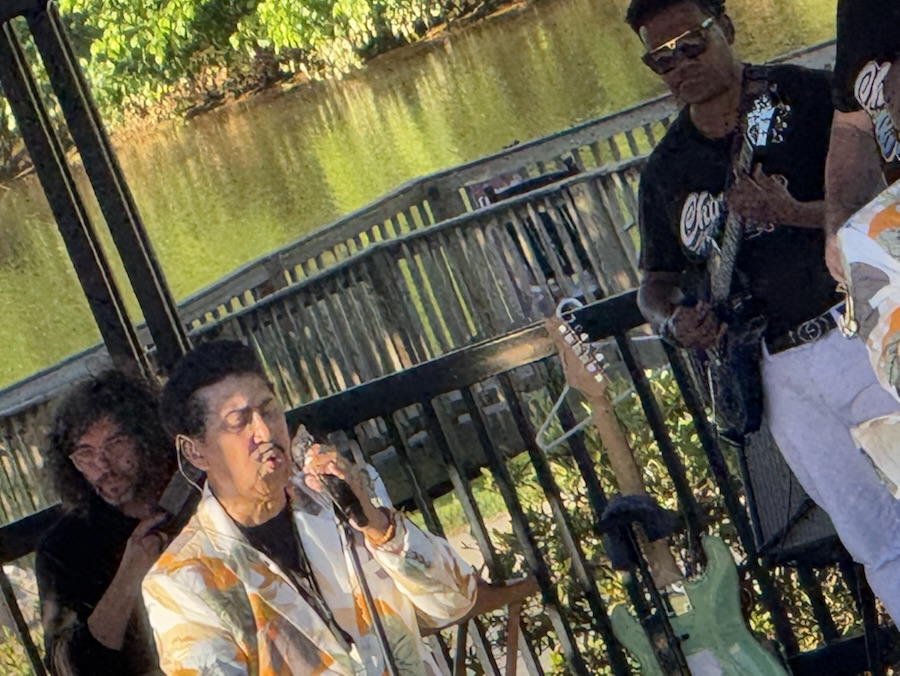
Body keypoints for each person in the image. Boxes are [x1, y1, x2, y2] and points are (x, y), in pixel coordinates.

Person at [626, 0, 900, 622]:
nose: (679, 65)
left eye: (690, 44)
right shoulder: (667, 170)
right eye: (660, 59)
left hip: (852, 329)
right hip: (777, 370)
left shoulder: (808, 98)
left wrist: (795, 214)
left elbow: (882, 197)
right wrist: (674, 319)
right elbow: (654, 283)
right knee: (870, 536)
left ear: (725, 29)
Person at [142, 340, 478, 674]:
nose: (264, 432)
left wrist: (376, 524)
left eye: (269, 410)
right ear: (195, 451)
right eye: (239, 422)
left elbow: (456, 601)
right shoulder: (182, 581)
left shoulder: (338, 493)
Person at [35, 371, 176, 675]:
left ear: (145, 437)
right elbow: (67, 668)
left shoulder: (192, 494)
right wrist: (130, 575)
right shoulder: (63, 547)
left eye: (115, 443)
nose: (102, 465)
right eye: (84, 453)